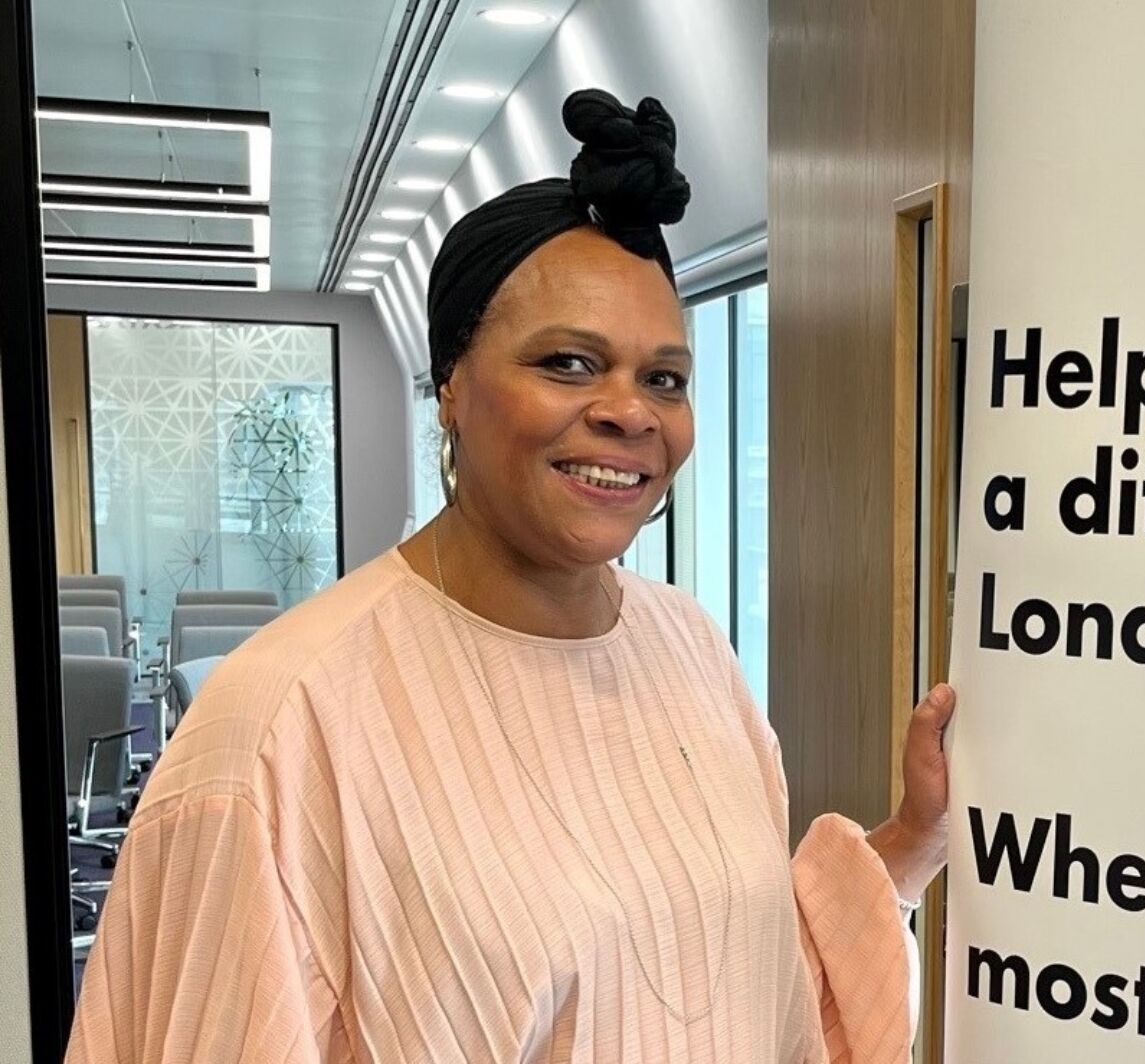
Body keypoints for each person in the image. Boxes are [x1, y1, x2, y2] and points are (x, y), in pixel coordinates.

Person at [66, 89, 955, 1063]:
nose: (630, 411)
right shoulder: (280, 724)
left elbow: (741, 982)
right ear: (451, 382)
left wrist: (914, 836)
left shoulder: (690, 645)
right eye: (569, 361)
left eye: (665, 376)